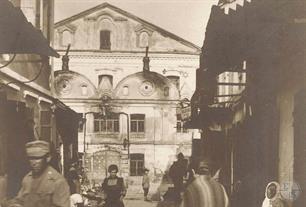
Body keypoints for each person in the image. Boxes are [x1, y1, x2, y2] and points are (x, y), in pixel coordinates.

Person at [2, 140, 70, 207]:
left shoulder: (58, 182)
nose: (33, 163)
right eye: (31, 158)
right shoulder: (27, 179)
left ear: (48, 158)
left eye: (37, 158)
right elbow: (20, 200)